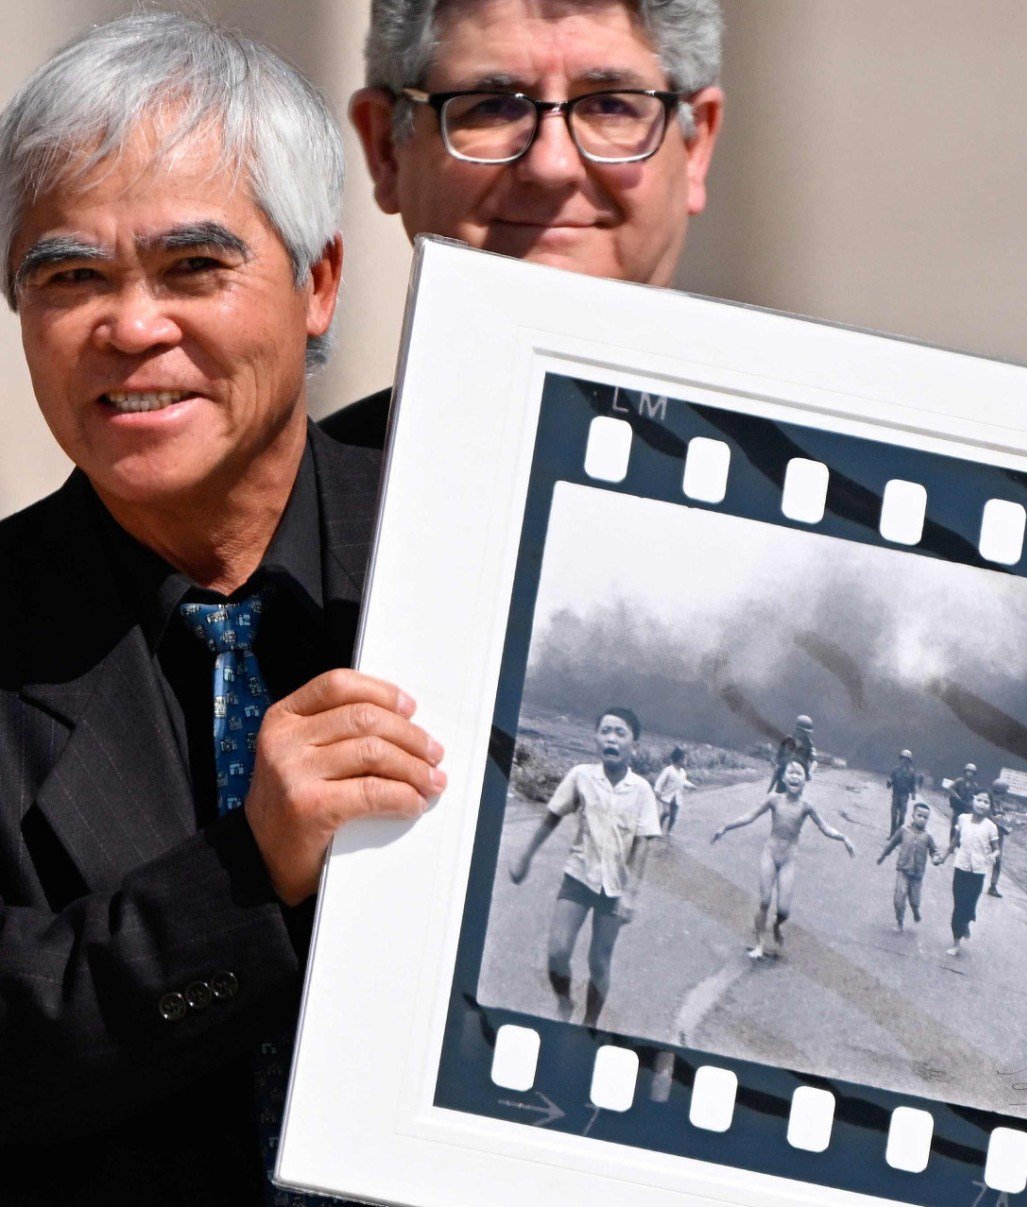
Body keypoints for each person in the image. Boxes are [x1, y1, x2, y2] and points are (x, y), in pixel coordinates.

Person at [0, 15, 445, 1202]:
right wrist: (245, 871)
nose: (133, 326)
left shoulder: (465, 553)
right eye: (69, 276)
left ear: (319, 285)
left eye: (194, 268)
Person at [324, 0, 726, 448]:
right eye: (492, 107)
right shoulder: (296, 504)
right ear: (387, 152)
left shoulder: (809, 488)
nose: (552, 165)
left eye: (612, 106)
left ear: (695, 148)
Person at [508, 708, 660, 1027]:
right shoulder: (580, 776)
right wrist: (526, 856)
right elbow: (552, 816)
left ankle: (589, 1022)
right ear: (595, 738)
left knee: (599, 963)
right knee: (557, 952)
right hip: (578, 876)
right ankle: (564, 1001)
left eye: (620, 733)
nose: (611, 739)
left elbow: (644, 844)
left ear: (635, 743)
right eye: (605, 731)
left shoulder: (642, 790)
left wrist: (631, 894)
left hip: (614, 888)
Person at [712, 757, 854, 958]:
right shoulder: (774, 799)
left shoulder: (807, 806)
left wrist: (843, 837)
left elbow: (825, 827)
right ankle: (759, 944)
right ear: (783, 777)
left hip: (788, 859)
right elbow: (750, 816)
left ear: (806, 780)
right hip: (770, 853)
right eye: (790, 773)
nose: (794, 777)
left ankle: (776, 926)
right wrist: (725, 827)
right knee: (764, 901)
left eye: (799, 774)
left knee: (784, 911)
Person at [943, 791, 1000, 957]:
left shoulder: (991, 827)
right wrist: (944, 856)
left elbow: (997, 850)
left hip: (978, 872)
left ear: (989, 807)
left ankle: (966, 921)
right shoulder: (962, 819)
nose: (981, 804)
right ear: (973, 801)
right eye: (979, 800)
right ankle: (956, 942)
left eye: (986, 802)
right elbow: (954, 842)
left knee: (969, 905)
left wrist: (992, 856)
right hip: (961, 867)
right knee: (958, 905)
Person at [878, 800, 944, 932]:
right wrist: (883, 855)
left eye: (925, 818)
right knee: (899, 896)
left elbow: (934, 851)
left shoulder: (928, 836)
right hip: (903, 869)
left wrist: (936, 858)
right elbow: (891, 844)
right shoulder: (903, 830)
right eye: (919, 815)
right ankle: (900, 921)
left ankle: (915, 910)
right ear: (913, 816)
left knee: (915, 900)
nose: (922, 819)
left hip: (917, 874)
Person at [985, 776, 1018, 897]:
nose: (1005, 796)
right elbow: (988, 818)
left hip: (998, 836)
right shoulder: (987, 800)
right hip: (988, 834)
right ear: (999, 791)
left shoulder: (998, 802)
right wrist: (1003, 828)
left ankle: (993, 886)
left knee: (997, 861)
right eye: (1004, 793)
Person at [653, 745, 696, 834]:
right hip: (667, 796)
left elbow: (683, 781)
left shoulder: (683, 772)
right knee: (666, 812)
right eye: (684, 759)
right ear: (679, 760)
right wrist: (657, 790)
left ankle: (669, 830)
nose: (685, 761)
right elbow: (660, 781)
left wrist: (691, 786)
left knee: (673, 816)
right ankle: (658, 825)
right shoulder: (668, 770)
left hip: (676, 798)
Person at [768, 713, 816, 791]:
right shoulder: (787, 740)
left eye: (807, 732)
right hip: (784, 773)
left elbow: (814, 761)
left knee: (796, 796)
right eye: (802, 731)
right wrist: (775, 763)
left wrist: (810, 772)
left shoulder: (809, 744)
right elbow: (778, 755)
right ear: (796, 729)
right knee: (778, 791)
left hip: (799, 774)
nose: (804, 734)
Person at [887, 748, 919, 836]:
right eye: (903, 758)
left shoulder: (911, 772)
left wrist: (913, 794)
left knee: (902, 816)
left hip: (904, 796)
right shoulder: (895, 770)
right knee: (893, 815)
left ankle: (898, 835)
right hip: (896, 794)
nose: (904, 761)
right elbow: (890, 779)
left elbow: (913, 785)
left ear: (909, 761)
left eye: (907, 759)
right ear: (900, 759)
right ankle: (892, 834)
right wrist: (889, 782)